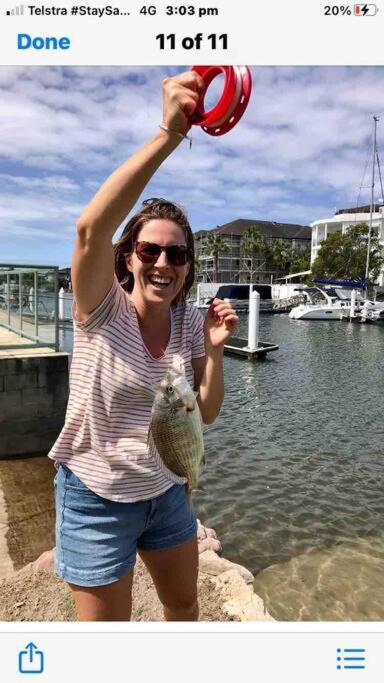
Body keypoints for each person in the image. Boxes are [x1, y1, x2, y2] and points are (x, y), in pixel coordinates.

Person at [48, 70, 238, 621]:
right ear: (128, 256)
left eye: (177, 256)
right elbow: (89, 229)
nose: (162, 264)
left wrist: (217, 350)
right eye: (150, 251)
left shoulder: (188, 322)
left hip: (166, 491)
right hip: (96, 498)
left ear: (187, 267)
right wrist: (170, 134)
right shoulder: (100, 306)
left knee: (183, 607)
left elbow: (204, 413)